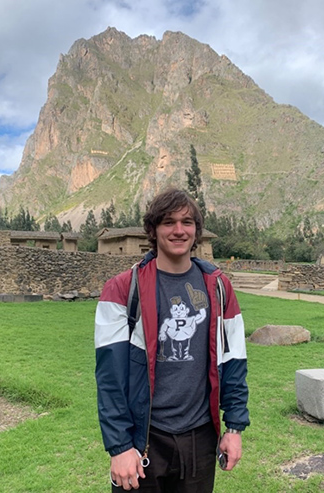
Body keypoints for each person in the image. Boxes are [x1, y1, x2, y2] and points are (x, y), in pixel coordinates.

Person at [95, 188, 250, 492]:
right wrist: (119, 446)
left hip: (201, 439)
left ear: (197, 231)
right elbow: (110, 377)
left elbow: (234, 362)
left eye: (187, 222)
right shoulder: (123, 290)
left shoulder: (218, 287)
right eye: (168, 222)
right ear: (152, 230)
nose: (179, 230)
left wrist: (233, 428)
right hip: (144, 441)